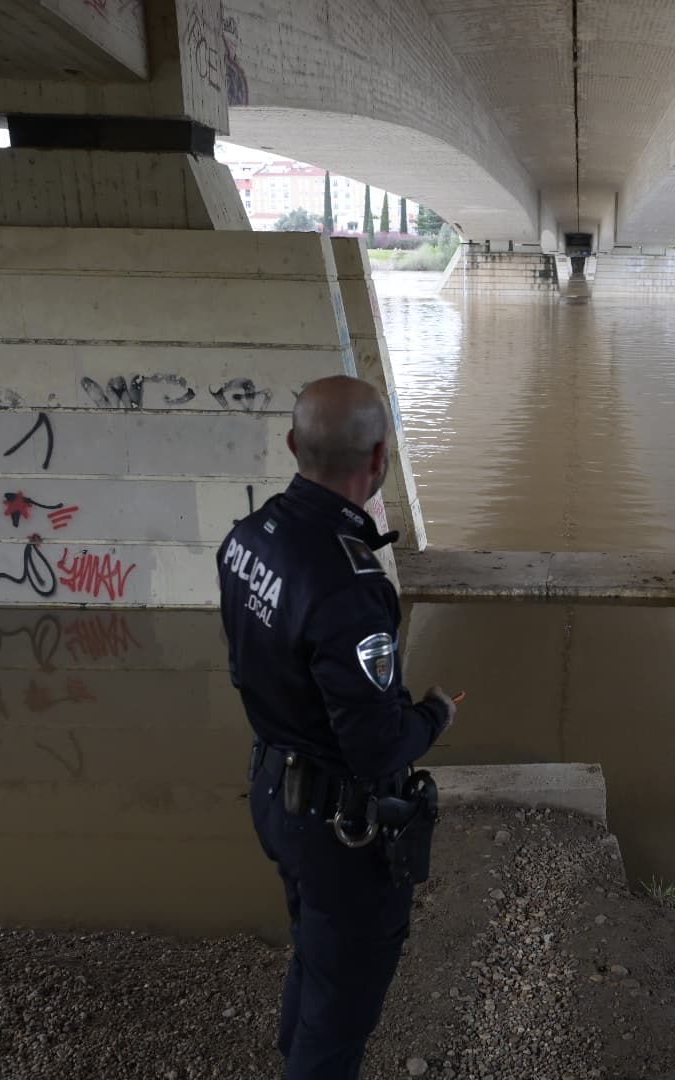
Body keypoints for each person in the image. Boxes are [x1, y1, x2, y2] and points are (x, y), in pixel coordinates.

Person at [218, 375, 457, 1080]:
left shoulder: (248, 538)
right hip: (335, 825)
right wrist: (436, 715)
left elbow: (246, 662)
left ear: (294, 446)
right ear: (379, 459)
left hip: (274, 789)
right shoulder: (348, 585)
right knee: (342, 1001)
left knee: (314, 946)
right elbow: (377, 744)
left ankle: (295, 1055)